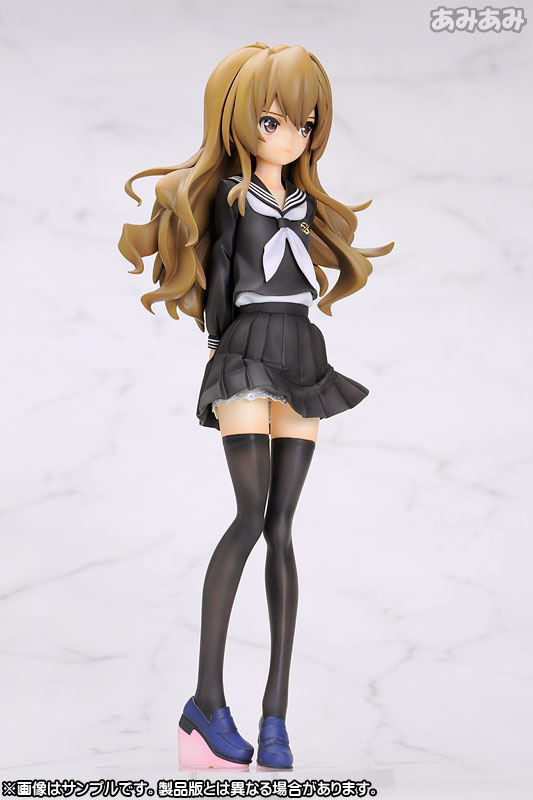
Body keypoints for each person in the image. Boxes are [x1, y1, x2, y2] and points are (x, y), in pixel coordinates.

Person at [118, 41, 394, 770]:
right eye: (274, 121)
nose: (291, 136)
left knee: (281, 527)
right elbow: (217, 269)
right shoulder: (231, 195)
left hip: (301, 348)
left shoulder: (301, 203)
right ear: (241, 120)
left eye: (304, 124)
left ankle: (276, 716)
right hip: (245, 349)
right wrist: (217, 343)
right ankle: (206, 701)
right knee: (248, 515)